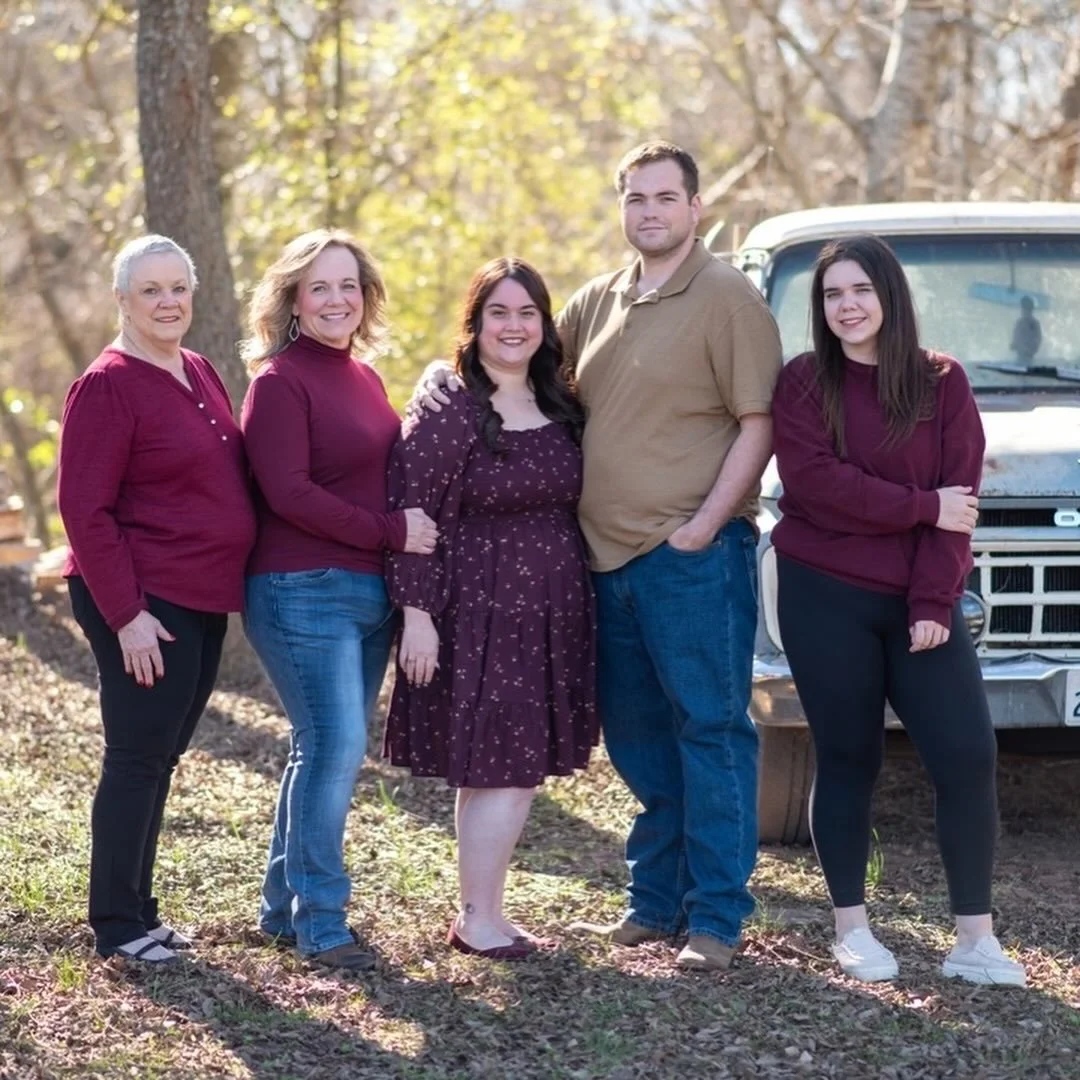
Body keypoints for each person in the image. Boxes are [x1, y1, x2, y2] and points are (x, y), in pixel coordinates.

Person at [416, 141, 783, 971]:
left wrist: (703, 525)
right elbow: (525, 368)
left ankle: (717, 917)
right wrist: (439, 383)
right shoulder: (597, 299)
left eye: (666, 197)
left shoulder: (728, 300)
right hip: (602, 564)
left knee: (712, 730)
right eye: (635, 198)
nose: (649, 211)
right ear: (621, 208)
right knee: (640, 740)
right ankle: (655, 902)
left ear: (694, 207)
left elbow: (759, 424)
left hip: (690, 556)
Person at [770, 233, 1026, 987]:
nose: (847, 306)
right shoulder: (804, 383)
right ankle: (852, 927)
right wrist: (920, 506)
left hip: (920, 603)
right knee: (850, 756)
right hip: (824, 591)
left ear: (889, 296)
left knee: (968, 756)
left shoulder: (942, 382)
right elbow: (816, 488)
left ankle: (974, 941)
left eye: (860, 291)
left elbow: (962, 505)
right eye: (831, 294)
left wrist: (932, 602)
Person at [386, 257, 597, 960]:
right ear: (474, 326)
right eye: (498, 313)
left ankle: (483, 911)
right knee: (504, 769)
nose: (513, 326)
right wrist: (415, 615)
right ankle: (478, 920)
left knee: (500, 769)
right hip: (478, 610)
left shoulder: (563, 404)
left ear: (545, 324)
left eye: (526, 313)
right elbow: (411, 509)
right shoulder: (450, 409)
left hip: (550, 611)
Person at [240, 229, 438, 971]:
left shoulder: (364, 378)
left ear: (366, 295)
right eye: (319, 287)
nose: (336, 299)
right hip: (300, 589)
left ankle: (282, 909)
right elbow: (286, 493)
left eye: (348, 285)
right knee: (336, 746)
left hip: (366, 593)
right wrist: (389, 531)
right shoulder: (279, 381)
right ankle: (323, 921)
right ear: (294, 298)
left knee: (318, 748)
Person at [57, 235, 257, 963]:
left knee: (162, 755)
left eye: (178, 288)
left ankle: (141, 910)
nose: (168, 302)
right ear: (122, 299)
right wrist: (126, 616)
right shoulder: (107, 385)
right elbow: (84, 510)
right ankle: (116, 925)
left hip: (197, 597)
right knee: (137, 758)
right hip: (142, 601)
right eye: (151, 290)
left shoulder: (197, 369)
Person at [1009, 295, 1041, 364]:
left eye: (1026, 308)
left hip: (1029, 359)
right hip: (1020, 358)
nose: (1023, 310)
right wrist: (1014, 345)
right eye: (1023, 308)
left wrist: (1028, 350)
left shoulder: (1034, 323)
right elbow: (1015, 340)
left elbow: (1037, 341)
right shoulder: (1019, 322)